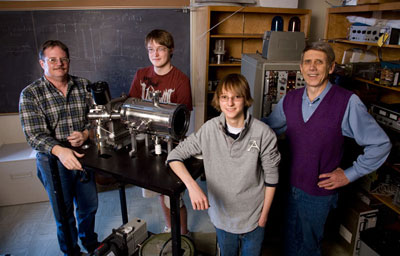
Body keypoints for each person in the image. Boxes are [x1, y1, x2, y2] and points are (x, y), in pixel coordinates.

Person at [262, 41, 392, 256]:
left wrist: (350, 174)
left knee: (308, 245)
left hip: (318, 193)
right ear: (301, 67)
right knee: (286, 239)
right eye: (307, 62)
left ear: (331, 68)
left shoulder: (347, 102)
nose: (312, 67)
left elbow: (380, 144)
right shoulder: (290, 99)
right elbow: (268, 128)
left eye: (319, 62)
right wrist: (237, 122)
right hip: (287, 186)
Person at [167, 73, 281, 255]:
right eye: (224, 97)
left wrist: (264, 215)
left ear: (245, 99)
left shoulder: (263, 133)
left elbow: (272, 177)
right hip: (222, 217)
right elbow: (174, 156)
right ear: (218, 100)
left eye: (236, 97)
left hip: (254, 216)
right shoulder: (209, 129)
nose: (230, 103)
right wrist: (192, 186)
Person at [19, 40, 98, 256]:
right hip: (52, 160)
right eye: (52, 59)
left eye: (63, 59)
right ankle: (71, 251)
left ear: (69, 62)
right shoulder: (30, 94)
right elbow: (34, 135)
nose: (59, 64)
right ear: (42, 63)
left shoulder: (83, 85)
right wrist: (60, 150)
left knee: (89, 206)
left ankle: (90, 243)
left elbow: (97, 121)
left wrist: (85, 134)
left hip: (83, 155)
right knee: (64, 214)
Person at [128, 29, 193, 235]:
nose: (155, 54)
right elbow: (131, 106)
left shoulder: (180, 80)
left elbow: (182, 119)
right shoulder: (141, 75)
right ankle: (169, 228)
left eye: (161, 49)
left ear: (170, 50)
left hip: (171, 146)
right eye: (151, 49)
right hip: (146, 143)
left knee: (173, 195)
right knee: (158, 192)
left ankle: (182, 234)